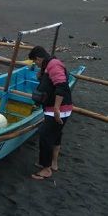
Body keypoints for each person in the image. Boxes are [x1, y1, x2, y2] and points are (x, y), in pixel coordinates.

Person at [28, 46, 73, 180]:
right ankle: (53, 163)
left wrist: (57, 109)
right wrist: (41, 77)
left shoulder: (53, 65)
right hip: (55, 108)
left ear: (39, 58)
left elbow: (62, 87)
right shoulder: (49, 65)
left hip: (59, 109)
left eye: (35, 61)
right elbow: (50, 84)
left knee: (45, 135)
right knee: (56, 134)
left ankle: (46, 169)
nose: (35, 64)